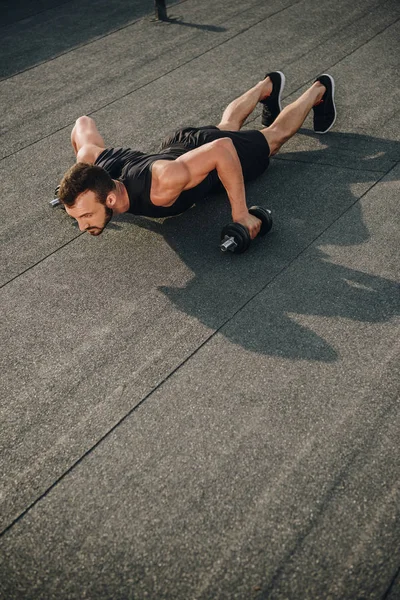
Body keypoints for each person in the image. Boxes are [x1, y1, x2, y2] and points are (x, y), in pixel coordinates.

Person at [58, 72, 336, 238]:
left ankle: (319, 89)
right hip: (179, 145)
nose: (82, 226)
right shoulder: (95, 165)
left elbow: (222, 149)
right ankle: (267, 87)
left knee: (273, 138)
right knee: (226, 125)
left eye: (84, 216)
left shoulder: (160, 186)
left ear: (109, 198)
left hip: (208, 156)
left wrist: (240, 214)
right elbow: (82, 124)